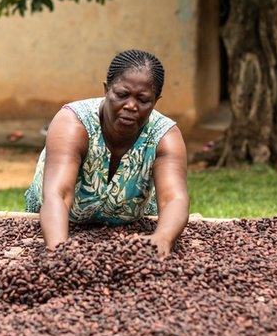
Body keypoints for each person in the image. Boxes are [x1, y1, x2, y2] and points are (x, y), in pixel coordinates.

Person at [24, 49, 190, 258]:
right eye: (122, 95)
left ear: (156, 100)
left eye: (143, 99)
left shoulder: (164, 136)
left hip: (130, 228)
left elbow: (173, 198)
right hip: (60, 221)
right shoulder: (74, 123)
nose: (131, 106)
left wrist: (163, 238)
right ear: (106, 89)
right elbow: (59, 194)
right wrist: (59, 252)